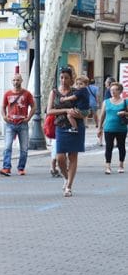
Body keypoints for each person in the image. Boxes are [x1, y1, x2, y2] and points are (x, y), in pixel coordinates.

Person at [47, 67, 85, 197]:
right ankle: (65, 176)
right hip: (61, 126)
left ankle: (69, 186)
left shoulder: (77, 92)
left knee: (73, 157)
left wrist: (78, 113)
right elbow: (49, 111)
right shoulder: (54, 92)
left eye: (66, 78)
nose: (63, 80)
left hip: (76, 126)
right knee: (60, 158)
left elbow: (85, 110)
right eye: (61, 77)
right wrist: (66, 111)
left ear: (71, 79)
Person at [0, 73, 34, 176]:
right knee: (7, 146)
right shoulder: (7, 94)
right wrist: (4, 117)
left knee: (24, 148)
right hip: (10, 124)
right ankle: (6, 167)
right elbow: (2, 107)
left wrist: (29, 118)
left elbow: (33, 106)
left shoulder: (27, 94)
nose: (15, 82)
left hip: (22, 124)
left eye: (17, 80)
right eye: (14, 80)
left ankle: (21, 168)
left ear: (21, 81)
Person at [96, 81, 127, 174]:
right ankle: (108, 166)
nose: (112, 92)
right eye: (111, 90)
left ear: (120, 91)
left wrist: (124, 113)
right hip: (109, 128)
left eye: (115, 90)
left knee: (121, 146)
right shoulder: (106, 102)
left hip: (121, 128)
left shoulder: (125, 101)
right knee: (108, 147)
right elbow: (102, 116)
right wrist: (99, 128)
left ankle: (121, 165)